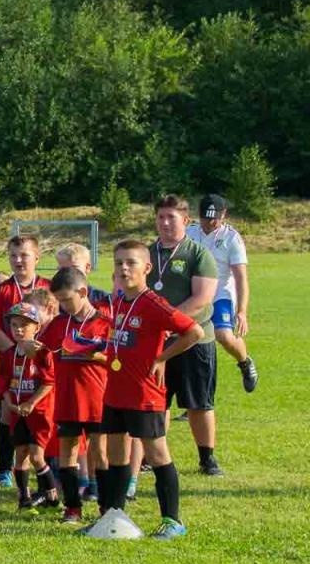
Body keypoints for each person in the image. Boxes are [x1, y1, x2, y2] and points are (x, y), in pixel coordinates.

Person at [97, 240, 204, 538]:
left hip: (145, 393)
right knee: (116, 454)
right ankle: (113, 517)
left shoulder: (153, 303)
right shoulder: (118, 300)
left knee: (156, 453)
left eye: (131, 263)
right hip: (116, 390)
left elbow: (194, 332)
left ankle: (173, 521)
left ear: (147, 267)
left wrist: (161, 358)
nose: (123, 268)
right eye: (119, 263)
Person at [150, 195, 223, 476]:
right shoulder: (146, 254)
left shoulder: (198, 254)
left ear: (185, 220)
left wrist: (170, 321)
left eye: (172, 217)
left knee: (198, 402)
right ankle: (153, 455)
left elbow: (202, 298)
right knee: (157, 400)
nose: (166, 223)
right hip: (156, 341)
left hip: (194, 339)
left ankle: (207, 458)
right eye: (161, 217)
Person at [44, 267, 113, 523]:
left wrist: (95, 355)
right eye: (59, 301)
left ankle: (107, 507)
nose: (63, 305)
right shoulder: (59, 324)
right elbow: (45, 352)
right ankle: (72, 507)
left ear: (83, 292)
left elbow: (118, 361)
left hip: (97, 398)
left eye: (66, 299)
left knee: (100, 452)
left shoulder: (105, 324)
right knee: (68, 451)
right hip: (67, 398)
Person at [0, 235, 44, 489]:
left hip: (42, 365)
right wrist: (15, 353)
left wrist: (38, 354)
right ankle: (5, 468)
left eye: (24, 255)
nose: (19, 260)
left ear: (37, 257)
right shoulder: (3, 290)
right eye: (13, 256)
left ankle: (45, 465)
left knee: (41, 414)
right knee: (8, 413)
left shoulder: (47, 288)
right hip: (12, 365)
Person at [188, 194, 259, 393]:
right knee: (190, 340)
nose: (209, 223)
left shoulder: (231, 238)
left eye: (214, 218)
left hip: (220, 294)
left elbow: (241, 277)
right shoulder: (189, 232)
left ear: (224, 214)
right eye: (205, 217)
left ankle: (244, 362)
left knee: (224, 336)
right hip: (196, 293)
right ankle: (194, 399)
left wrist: (242, 311)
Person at [0, 303, 60, 512]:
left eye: (25, 325)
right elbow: (3, 384)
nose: (19, 329)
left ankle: (52, 494)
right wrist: (9, 404)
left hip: (39, 412)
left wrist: (31, 403)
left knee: (36, 455)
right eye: (15, 325)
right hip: (18, 413)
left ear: (37, 327)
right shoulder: (8, 354)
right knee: (21, 453)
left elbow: (49, 382)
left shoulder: (42, 353)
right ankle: (23, 497)